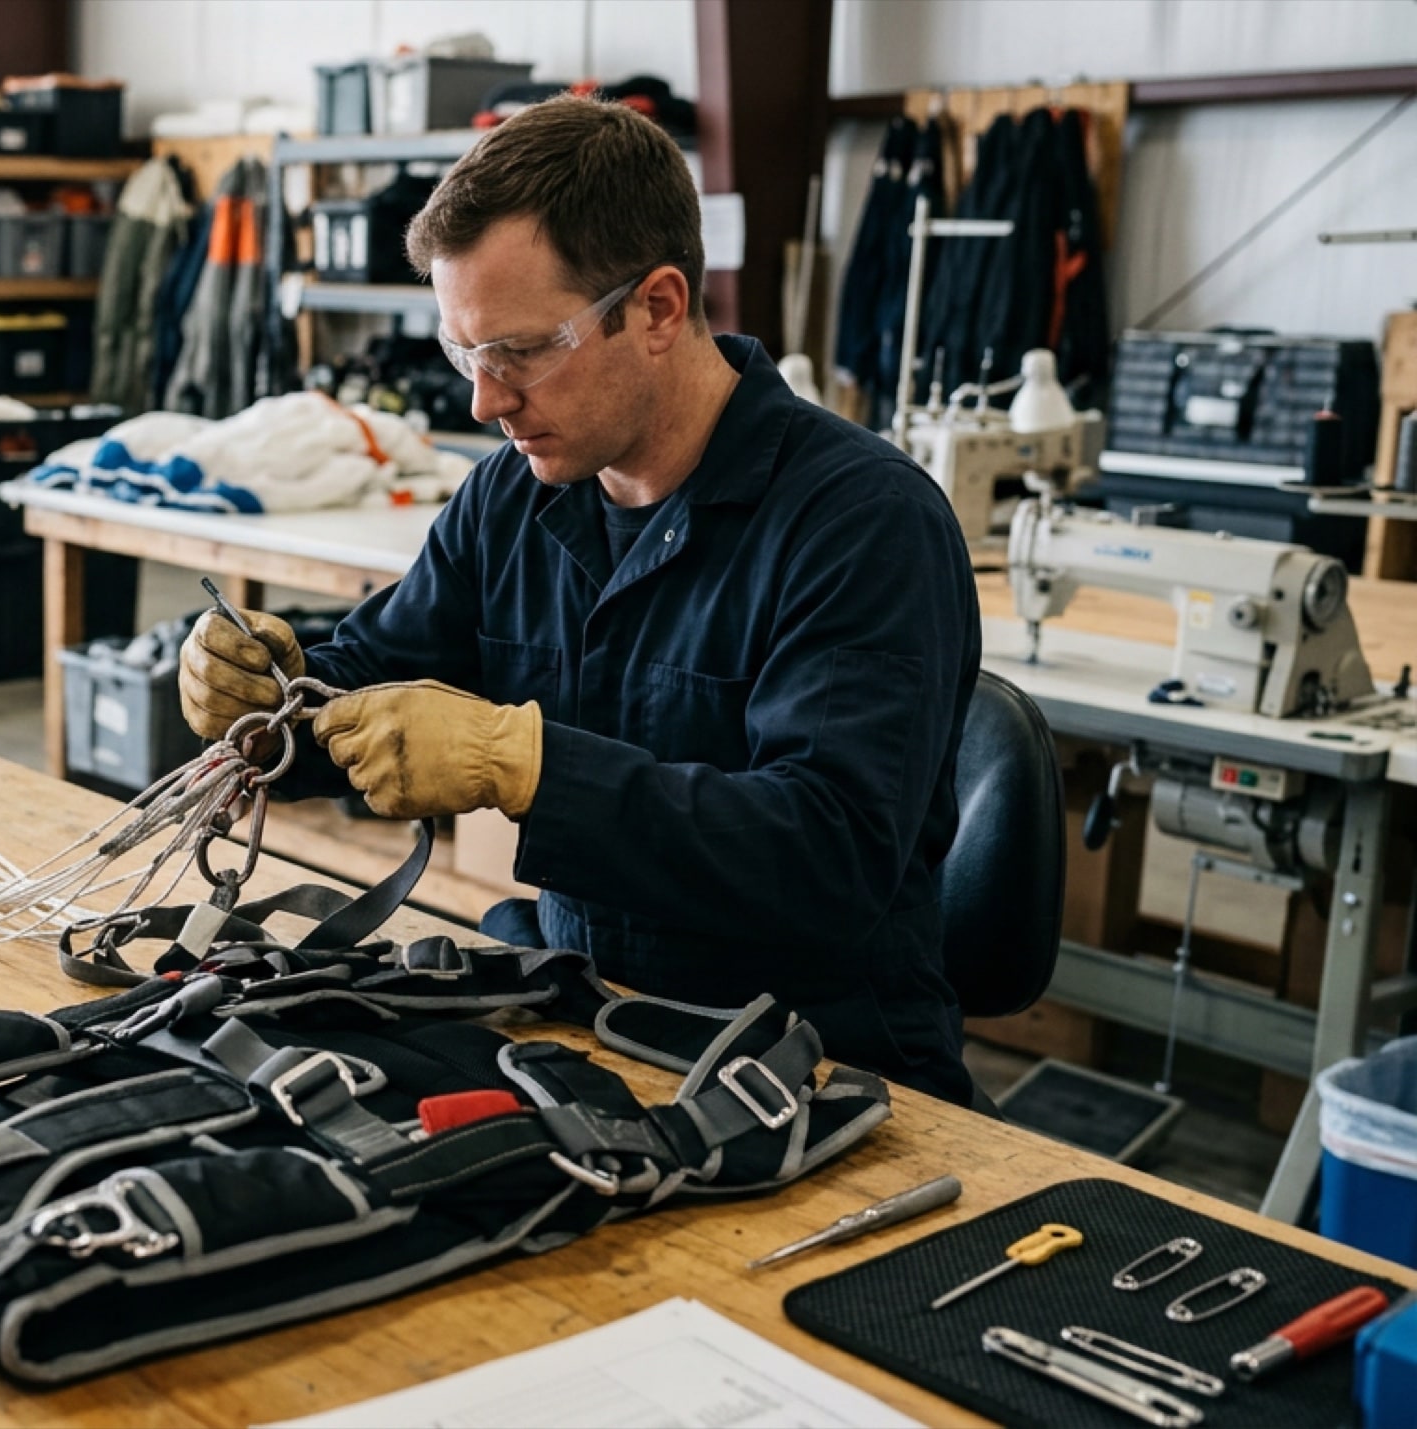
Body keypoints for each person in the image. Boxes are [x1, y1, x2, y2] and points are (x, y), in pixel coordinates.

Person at [178, 97, 983, 1104]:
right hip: (586, 1024)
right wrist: (260, 700)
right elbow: (363, 676)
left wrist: (527, 767)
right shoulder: (513, 495)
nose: (484, 399)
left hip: (822, 1063)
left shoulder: (861, 522)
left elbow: (824, 859)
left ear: (654, 307)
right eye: (463, 354)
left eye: (517, 351)